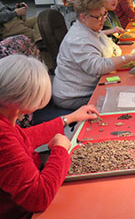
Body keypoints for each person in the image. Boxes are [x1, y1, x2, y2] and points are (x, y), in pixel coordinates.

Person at [0, 54, 99, 218]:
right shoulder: (3, 136)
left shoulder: (5, 122)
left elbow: (24, 138)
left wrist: (69, 118)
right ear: (20, 101)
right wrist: (60, 150)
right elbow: (38, 198)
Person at [52, 0, 135, 110]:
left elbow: (115, 49)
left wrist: (112, 59)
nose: (103, 20)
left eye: (104, 14)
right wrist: (128, 58)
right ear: (83, 17)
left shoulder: (93, 29)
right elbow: (98, 67)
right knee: (124, 102)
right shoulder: (78, 40)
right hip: (73, 96)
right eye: (98, 17)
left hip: (90, 85)